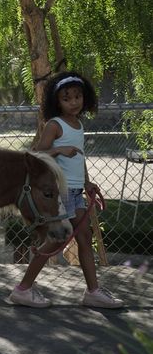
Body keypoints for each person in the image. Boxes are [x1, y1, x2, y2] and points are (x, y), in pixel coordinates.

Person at [7, 71, 124, 309]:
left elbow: (78, 158)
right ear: (56, 102)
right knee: (55, 241)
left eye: (77, 96)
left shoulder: (78, 125)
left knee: (84, 237)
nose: (73, 102)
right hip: (60, 194)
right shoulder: (55, 125)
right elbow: (36, 155)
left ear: (85, 98)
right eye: (66, 98)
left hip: (75, 191)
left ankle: (92, 292)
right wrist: (59, 151)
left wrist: (86, 183)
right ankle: (23, 289)